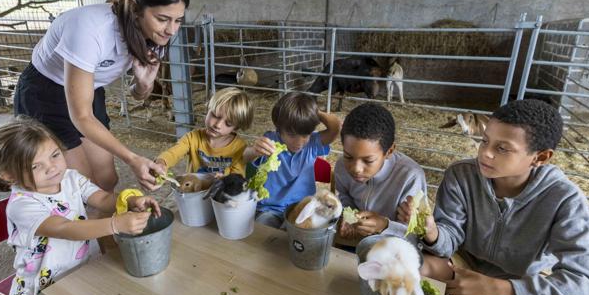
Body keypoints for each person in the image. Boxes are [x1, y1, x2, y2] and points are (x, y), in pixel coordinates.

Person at [399, 100, 589, 295]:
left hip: (524, 276)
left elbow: (583, 284)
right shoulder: (461, 176)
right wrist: (432, 231)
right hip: (464, 261)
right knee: (403, 267)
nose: (485, 154)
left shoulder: (566, 200)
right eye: (484, 141)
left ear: (540, 157)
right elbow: (449, 241)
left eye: (502, 148)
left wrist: (502, 287)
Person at [14, 0, 189, 192]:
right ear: (135, 8)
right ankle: (82, 225)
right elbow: (82, 116)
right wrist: (133, 158)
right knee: (79, 186)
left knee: (106, 179)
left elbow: (137, 96)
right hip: (45, 93)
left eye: (178, 20)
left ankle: (101, 223)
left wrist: (144, 84)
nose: (171, 30)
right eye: (163, 18)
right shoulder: (90, 28)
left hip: (89, 88)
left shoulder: (156, 36)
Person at [0, 117, 160, 295]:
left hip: (82, 271)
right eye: (36, 166)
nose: (52, 168)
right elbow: (65, 228)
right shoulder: (22, 205)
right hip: (44, 291)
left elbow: (103, 199)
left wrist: (131, 200)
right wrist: (115, 224)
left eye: (55, 155)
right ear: (8, 175)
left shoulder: (70, 178)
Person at [245, 92, 341, 228]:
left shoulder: (312, 143)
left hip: (302, 208)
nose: (299, 142)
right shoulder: (270, 141)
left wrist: (312, 112)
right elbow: (244, 157)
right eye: (291, 135)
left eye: (305, 135)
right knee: (263, 231)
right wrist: (254, 150)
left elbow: (335, 127)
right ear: (279, 129)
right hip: (270, 209)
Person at [335, 102, 426, 244]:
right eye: (348, 156)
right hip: (356, 241)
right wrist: (350, 216)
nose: (356, 168)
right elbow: (344, 195)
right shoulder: (341, 166)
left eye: (368, 160)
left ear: (389, 151)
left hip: (393, 248)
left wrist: (384, 225)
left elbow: (415, 235)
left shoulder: (410, 177)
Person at [156, 87, 253, 176]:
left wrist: (224, 179)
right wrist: (162, 162)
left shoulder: (239, 147)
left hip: (221, 192)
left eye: (228, 123)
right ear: (208, 109)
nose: (217, 125)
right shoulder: (192, 138)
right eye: (215, 115)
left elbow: (237, 177)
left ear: (235, 128)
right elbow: (173, 153)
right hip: (194, 189)